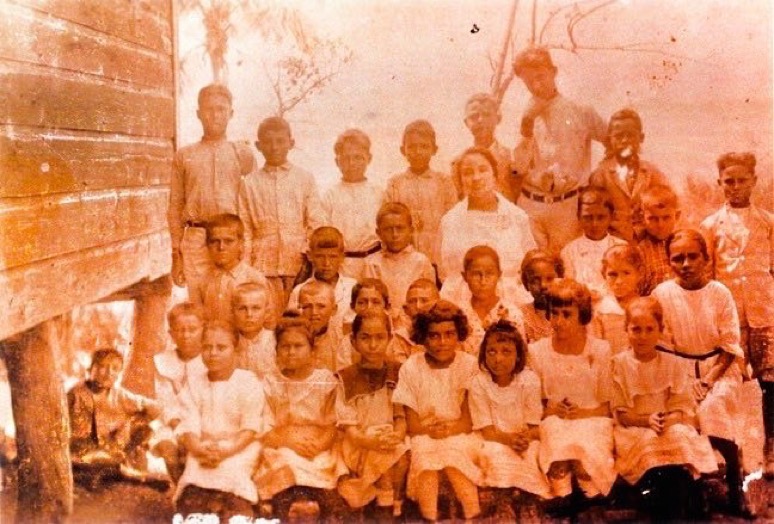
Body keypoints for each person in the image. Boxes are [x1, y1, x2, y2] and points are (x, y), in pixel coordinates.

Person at [652, 229, 746, 513]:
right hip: (678, 370)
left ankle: (735, 480)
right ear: (669, 262)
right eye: (677, 258)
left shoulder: (719, 293)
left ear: (706, 258)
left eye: (693, 257)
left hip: (719, 369)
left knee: (712, 410)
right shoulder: (662, 294)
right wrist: (683, 379)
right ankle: (697, 486)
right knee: (681, 417)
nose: (686, 264)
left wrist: (706, 381)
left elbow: (730, 347)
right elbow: (661, 346)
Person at [700, 152, 774, 476]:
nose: (735, 186)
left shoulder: (769, 222)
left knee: (771, 382)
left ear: (754, 182)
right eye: (728, 181)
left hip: (765, 313)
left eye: (741, 180)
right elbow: (709, 274)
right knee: (731, 385)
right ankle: (737, 454)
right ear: (720, 183)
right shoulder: (710, 225)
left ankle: (771, 450)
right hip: (730, 317)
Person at [611, 297, 717, 520]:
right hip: (636, 427)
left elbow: (680, 405)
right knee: (651, 443)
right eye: (636, 329)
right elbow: (622, 413)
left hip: (669, 422)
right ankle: (678, 501)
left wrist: (669, 420)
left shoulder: (672, 363)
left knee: (678, 435)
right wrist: (646, 420)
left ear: (660, 330)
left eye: (650, 329)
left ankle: (678, 500)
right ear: (626, 330)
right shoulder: (619, 364)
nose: (642, 336)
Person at [392, 300, 483, 521]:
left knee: (453, 459)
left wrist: (450, 429)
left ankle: (472, 514)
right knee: (425, 461)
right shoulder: (412, 367)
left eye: (449, 334)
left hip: (460, 434)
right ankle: (430, 517)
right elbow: (412, 422)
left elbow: (468, 420)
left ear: (458, 335)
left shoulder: (469, 365)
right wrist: (430, 430)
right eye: (434, 336)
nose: (442, 342)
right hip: (424, 434)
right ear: (422, 336)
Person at [511, 47, 606, 253]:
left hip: (568, 206)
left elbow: (614, 143)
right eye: (529, 82)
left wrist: (599, 176)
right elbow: (517, 168)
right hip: (531, 205)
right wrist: (526, 126)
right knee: (533, 269)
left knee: (567, 267)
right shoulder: (522, 114)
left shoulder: (581, 110)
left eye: (541, 77)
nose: (536, 85)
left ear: (553, 72)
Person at [527, 279, 616, 500]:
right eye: (554, 313)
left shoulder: (600, 349)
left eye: (567, 315)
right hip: (555, 419)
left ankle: (591, 499)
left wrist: (583, 413)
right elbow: (537, 403)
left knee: (582, 461)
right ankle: (563, 497)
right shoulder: (537, 351)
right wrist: (553, 410)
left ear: (582, 316)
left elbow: (606, 406)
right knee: (558, 450)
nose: (559, 321)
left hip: (593, 417)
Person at [254, 313, 346, 520]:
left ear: (312, 350)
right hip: (283, 442)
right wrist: (288, 441)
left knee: (323, 465)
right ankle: (292, 506)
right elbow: (265, 426)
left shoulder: (325, 381)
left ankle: (314, 504)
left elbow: (334, 423)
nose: (291, 352)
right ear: (277, 351)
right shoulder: (271, 382)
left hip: (319, 444)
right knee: (285, 461)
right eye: (285, 347)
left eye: (298, 346)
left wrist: (319, 445)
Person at [173, 321, 266, 521]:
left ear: (235, 349)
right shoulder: (194, 383)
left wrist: (226, 452)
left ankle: (235, 509)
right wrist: (198, 449)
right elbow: (189, 423)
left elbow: (250, 428)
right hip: (204, 447)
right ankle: (202, 510)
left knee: (232, 473)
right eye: (207, 347)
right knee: (196, 477)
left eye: (221, 347)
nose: (213, 353)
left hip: (239, 447)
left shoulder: (248, 381)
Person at [168, 84, 255, 295]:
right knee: (199, 305)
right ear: (199, 113)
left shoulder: (241, 154)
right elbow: (175, 207)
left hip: (231, 240)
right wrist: (176, 255)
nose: (215, 116)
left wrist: (247, 246)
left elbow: (252, 203)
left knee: (233, 299)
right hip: (197, 239)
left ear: (230, 113)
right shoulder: (185, 155)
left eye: (221, 109)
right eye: (209, 109)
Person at [238, 116, 325, 314]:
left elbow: (315, 222)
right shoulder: (249, 183)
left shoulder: (304, 178)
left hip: (298, 265)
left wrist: (308, 259)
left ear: (291, 143)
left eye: (280, 141)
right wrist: (248, 269)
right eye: (268, 142)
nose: (274, 147)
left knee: (297, 321)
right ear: (259, 146)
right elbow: (245, 229)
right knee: (268, 319)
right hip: (262, 267)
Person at [469, 320, 552, 513]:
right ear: (483, 354)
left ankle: (527, 501)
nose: (498, 358)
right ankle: (504, 502)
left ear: (518, 356)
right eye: (492, 351)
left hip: (524, 439)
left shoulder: (528, 380)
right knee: (495, 454)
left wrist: (524, 438)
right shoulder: (479, 383)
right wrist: (509, 439)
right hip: (493, 439)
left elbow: (533, 424)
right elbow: (487, 431)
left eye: (506, 352)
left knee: (532, 454)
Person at [440, 147, 536, 307]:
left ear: (495, 174)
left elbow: (529, 264)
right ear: (460, 180)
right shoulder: (449, 221)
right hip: (461, 303)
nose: (476, 177)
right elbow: (446, 273)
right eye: (468, 172)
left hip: (512, 302)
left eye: (483, 170)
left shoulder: (517, 217)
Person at [335, 311, 410, 517]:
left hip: (389, 435)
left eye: (380, 337)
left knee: (402, 456)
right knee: (383, 460)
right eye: (365, 338)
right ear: (353, 340)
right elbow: (350, 428)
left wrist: (398, 434)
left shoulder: (397, 372)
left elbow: (399, 415)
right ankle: (386, 507)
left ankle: (396, 501)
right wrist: (369, 441)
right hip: (359, 440)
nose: (373, 344)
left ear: (390, 339)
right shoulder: (346, 377)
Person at [68, 348, 161, 487]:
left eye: (115, 369)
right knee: (89, 464)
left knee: (144, 429)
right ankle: (132, 477)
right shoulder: (75, 394)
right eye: (102, 367)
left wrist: (128, 422)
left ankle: (113, 471)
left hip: (110, 448)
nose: (108, 373)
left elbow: (155, 407)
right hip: (82, 450)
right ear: (90, 368)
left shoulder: (119, 395)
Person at [384, 120, 459, 266]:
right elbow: (389, 218)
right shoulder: (395, 183)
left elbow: (453, 221)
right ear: (403, 150)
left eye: (424, 146)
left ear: (434, 149)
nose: (418, 152)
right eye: (412, 147)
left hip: (437, 256)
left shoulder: (444, 182)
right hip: (404, 258)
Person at [589, 109, 669, 242]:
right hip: (613, 242)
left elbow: (666, 205)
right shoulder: (601, 175)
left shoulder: (652, 173)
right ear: (610, 139)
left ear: (641, 137)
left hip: (648, 240)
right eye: (619, 136)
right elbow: (595, 214)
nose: (625, 140)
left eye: (630, 135)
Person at [152, 303, 207, 483]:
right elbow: (166, 402)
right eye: (179, 330)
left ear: (203, 329)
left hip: (205, 423)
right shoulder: (163, 362)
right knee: (169, 450)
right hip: (173, 423)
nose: (186, 335)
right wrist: (180, 429)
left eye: (192, 329)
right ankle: (179, 487)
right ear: (171, 334)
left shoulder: (209, 359)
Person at [322, 129, 383, 278]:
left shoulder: (379, 193)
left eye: (358, 157)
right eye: (346, 158)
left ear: (369, 158)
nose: (352, 163)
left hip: (374, 262)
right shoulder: (330, 195)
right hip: (343, 266)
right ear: (337, 162)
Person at [363, 202, 436, 319]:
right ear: (378, 233)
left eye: (400, 228)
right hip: (383, 322)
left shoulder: (421, 261)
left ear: (411, 230)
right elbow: (371, 299)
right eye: (388, 229)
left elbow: (430, 300)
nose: (395, 234)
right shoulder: (372, 263)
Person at [190, 214, 268, 323]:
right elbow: (198, 320)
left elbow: (267, 321)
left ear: (241, 244)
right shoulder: (202, 281)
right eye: (215, 241)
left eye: (228, 241)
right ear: (207, 245)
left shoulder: (254, 278)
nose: (221, 247)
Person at [560, 186, 627, 300]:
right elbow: (569, 288)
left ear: (611, 217)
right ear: (579, 217)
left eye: (601, 217)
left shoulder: (622, 247)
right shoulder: (569, 251)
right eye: (588, 218)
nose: (594, 224)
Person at [459, 245, 525, 356]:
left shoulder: (512, 314)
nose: (483, 281)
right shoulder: (459, 315)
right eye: (476, 274)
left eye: (489, 273)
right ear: (465, 276)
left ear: (499, 275)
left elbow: (521, 355)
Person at [452, 93, 518, 201]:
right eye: (474, 116)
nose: (480, 120)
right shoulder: (458, 163)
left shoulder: (511, 158)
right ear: (466, 123)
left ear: (498, 118)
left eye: (487, 115)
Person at [288, 226, 357, 319]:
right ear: (310, 256)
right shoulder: (299, 290)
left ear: (342, 257)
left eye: (333, 257)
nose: (326, 263)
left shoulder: (352, 287)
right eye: (320, 256)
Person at [592, 245, 645, 355]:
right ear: (603, 275)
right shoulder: (600, 310)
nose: (619, 281)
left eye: (626, 273)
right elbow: (596, 347)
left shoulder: (646, 307)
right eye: (612, 274)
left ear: (639, 273)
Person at [637, 184, 681, 294]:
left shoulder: (683, 244)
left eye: (666, 217)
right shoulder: (640, 252)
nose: (660, 225)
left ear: (677, 216)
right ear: (642, 218)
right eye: (653, 218)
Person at [298, 280, 348, 372]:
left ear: (334, 309)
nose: (314, 312)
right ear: (299, 309)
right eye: (307, 306)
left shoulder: (341, 339)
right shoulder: (292, 337)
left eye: (321, 306)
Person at [232, 282, 277, 380]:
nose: (249, 314)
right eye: (242, 308)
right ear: (233, 312)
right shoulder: (230, 344)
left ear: (266, 312)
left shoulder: (276, 342)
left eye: (256, 308)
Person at [519, 249, 564, 343]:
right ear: (526, 284)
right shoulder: (521, 316)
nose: (543, 285)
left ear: (561, 279)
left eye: (550, 278)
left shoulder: (571, 313)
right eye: (535, 280)